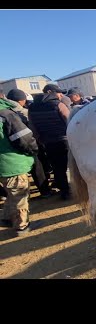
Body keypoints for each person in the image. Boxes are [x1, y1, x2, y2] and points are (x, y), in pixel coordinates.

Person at [0, 97, 39, 235]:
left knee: (10, 190)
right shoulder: (6, 114)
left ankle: (5, 217)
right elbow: (24, 138)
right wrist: (34, 149)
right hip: (10, 163)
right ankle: (22, 226)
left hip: (2, 167)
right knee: (19, 193)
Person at [6, 89, 52, 198]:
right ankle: (45, 191)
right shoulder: (21, 112)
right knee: (37, 168)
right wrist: (35, 146)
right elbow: (28, 132)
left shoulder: (6, 110)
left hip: (8, 150)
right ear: (21, 100)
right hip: (26, 144)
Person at [28, 84, 71, 200]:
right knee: (71, 165)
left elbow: (33, 128)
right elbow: (70, 122)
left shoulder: (32, 108)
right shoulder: (58, 105)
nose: (61, 95)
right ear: (50, 92)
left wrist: (40, 140)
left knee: (57, 167)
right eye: (59, 92)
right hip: (64, 140)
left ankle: (64, 191)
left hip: (48, 142)